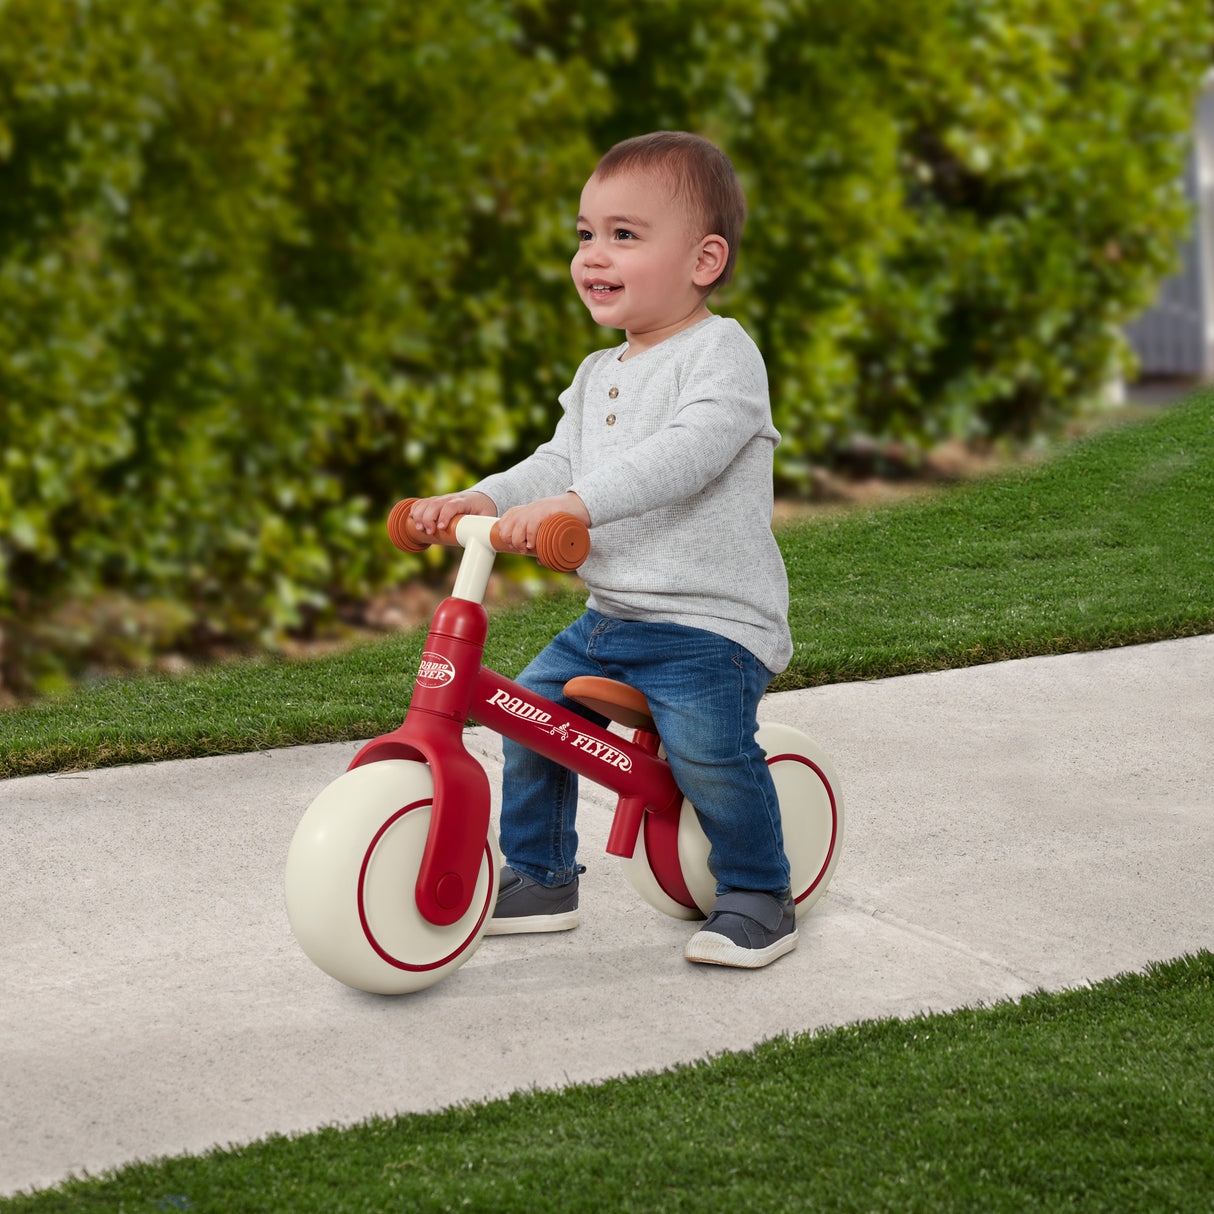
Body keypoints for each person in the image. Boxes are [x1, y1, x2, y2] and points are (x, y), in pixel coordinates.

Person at [410, 131, 796, 968]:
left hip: (709, 626)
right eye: (586, 234)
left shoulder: (722, 355)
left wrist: (576, 506)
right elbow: (556, 461)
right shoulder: (596, 374)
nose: (595, 254)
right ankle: (544, 877)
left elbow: (685, 453)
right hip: (613, 618)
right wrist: (481, 499)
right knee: (530, 717)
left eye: (625, 234)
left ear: (704, 260)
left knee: (709, 752)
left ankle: (760, 890)